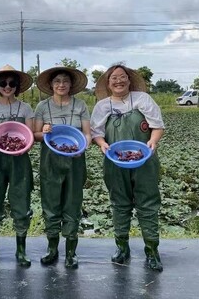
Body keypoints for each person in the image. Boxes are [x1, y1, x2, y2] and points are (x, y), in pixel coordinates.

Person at [90, 64, 165, 272]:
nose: (118, 81)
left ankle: (152, 250)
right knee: (119, 204)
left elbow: (157, 126)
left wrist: (153, 142)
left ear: (129, 80)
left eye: (122, 77)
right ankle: (122, 248)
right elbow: (96, 132)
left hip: (145, 160)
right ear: (108, 83)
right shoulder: (102, 106)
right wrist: (101, 143)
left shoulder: (143, 100)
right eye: (114, 78)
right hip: (114, 161)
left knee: (148, 204)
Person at [33, 66, 91, 269]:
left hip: (75, 159)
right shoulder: (42, 106)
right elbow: (35, 135)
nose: (61, 84)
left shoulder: (81, 104)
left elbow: (87, 134)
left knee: (73, 204)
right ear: (51, 85)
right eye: (57, 81)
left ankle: (71, 252)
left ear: (71, 85)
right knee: (50, 204)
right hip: (51, 160)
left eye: (65, 81)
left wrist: (83, 147)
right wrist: (44, 131)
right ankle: (52, 249)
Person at [0, 65, 34, 268]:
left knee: (21, 201)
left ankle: (21, 250)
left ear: (17, 86)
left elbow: (29, 135)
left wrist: (24, 144)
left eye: (12, 83)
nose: (7, 87)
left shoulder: (26, 108)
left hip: (19, 159)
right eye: (3, 83)